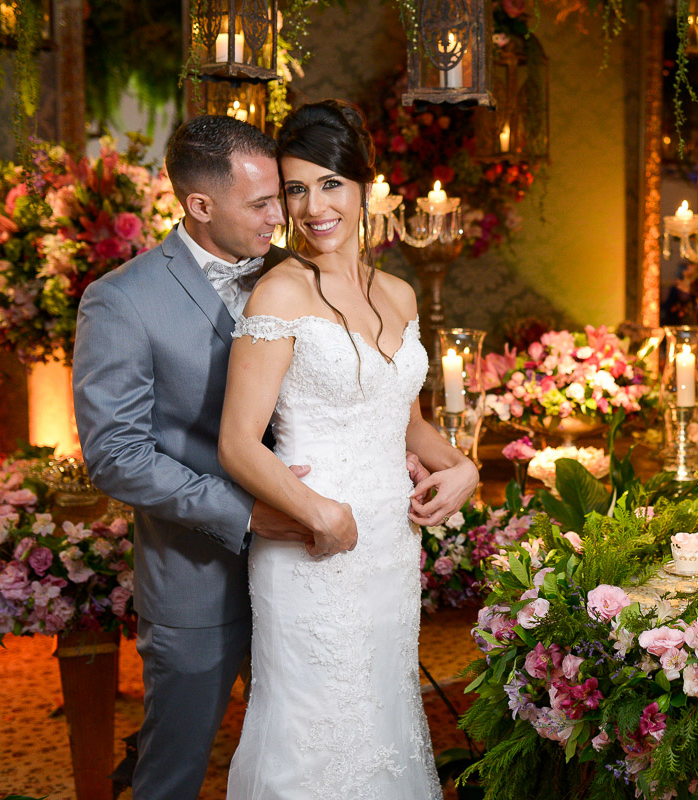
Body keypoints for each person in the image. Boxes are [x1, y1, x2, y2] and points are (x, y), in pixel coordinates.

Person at [72, 116, 430, 799]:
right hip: (199, 576)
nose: (287, 214)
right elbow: (115, 456)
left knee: (320, 747)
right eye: (265, 202)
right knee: (173, 774)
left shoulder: (296, 275)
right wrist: (246, 513)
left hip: (319, 567)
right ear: (200, 205)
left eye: (287, 194)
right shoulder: (121, 300)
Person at [217, 100, 477, 798]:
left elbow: (405, 419)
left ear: (366, 186)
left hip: (390, 546)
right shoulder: (278, 292)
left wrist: (463, 466)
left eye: (330, 183)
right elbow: (238, 444)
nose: (313, 206)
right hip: (312, 544)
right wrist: (319, 513)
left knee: (380, 715)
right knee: (312, 734)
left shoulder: (397, 293)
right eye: (296, 189)